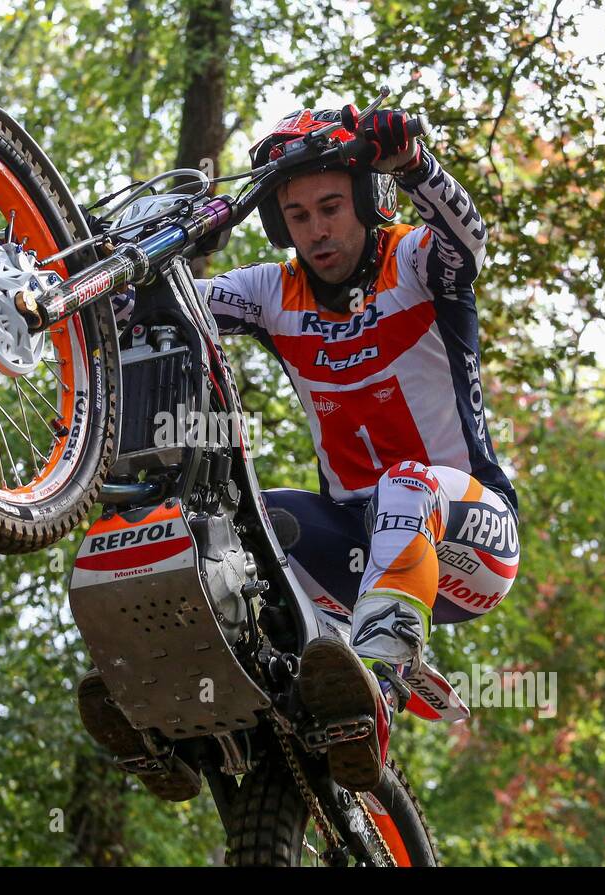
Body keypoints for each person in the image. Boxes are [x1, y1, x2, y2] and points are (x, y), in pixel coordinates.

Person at [81, 106, 521, 796]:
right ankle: (180, 719)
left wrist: (412, 163)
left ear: (366, 203)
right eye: (297, 215)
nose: (316, 230)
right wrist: (53, 292)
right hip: (351, 545)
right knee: (230, 521)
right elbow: (164, 306)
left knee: (404, 484)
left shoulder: (412, 259)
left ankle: (383, 678)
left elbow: (468, 242)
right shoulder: (272, 293)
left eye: (330, 208)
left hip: (473, 538)